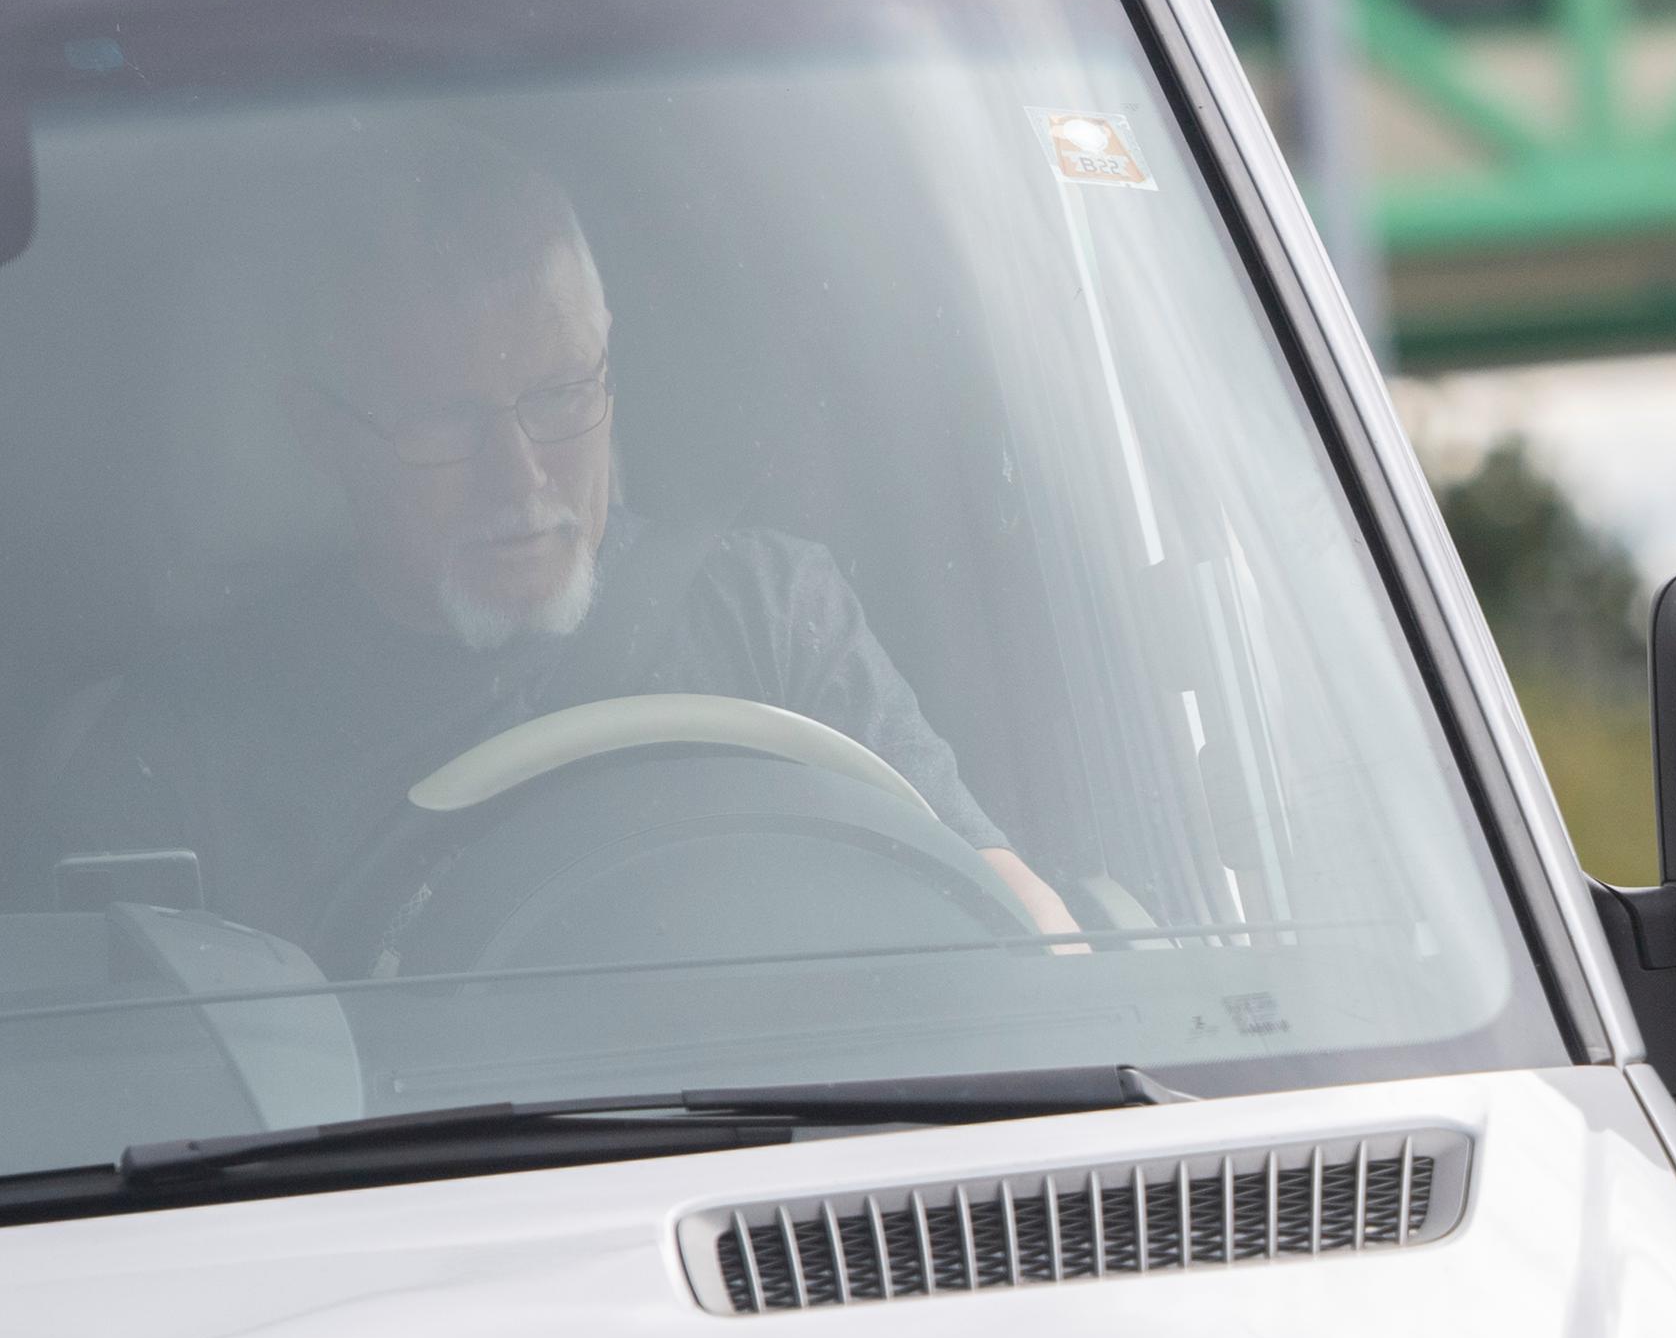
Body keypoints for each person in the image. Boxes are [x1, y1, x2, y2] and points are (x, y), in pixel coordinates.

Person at [29, 130, 1081, 949]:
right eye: (447, 421)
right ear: (325, 436)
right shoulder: (189, 747)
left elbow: (1013, 923)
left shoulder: (767, 614)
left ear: (609, 367)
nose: (522, 477)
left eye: (562, 393)